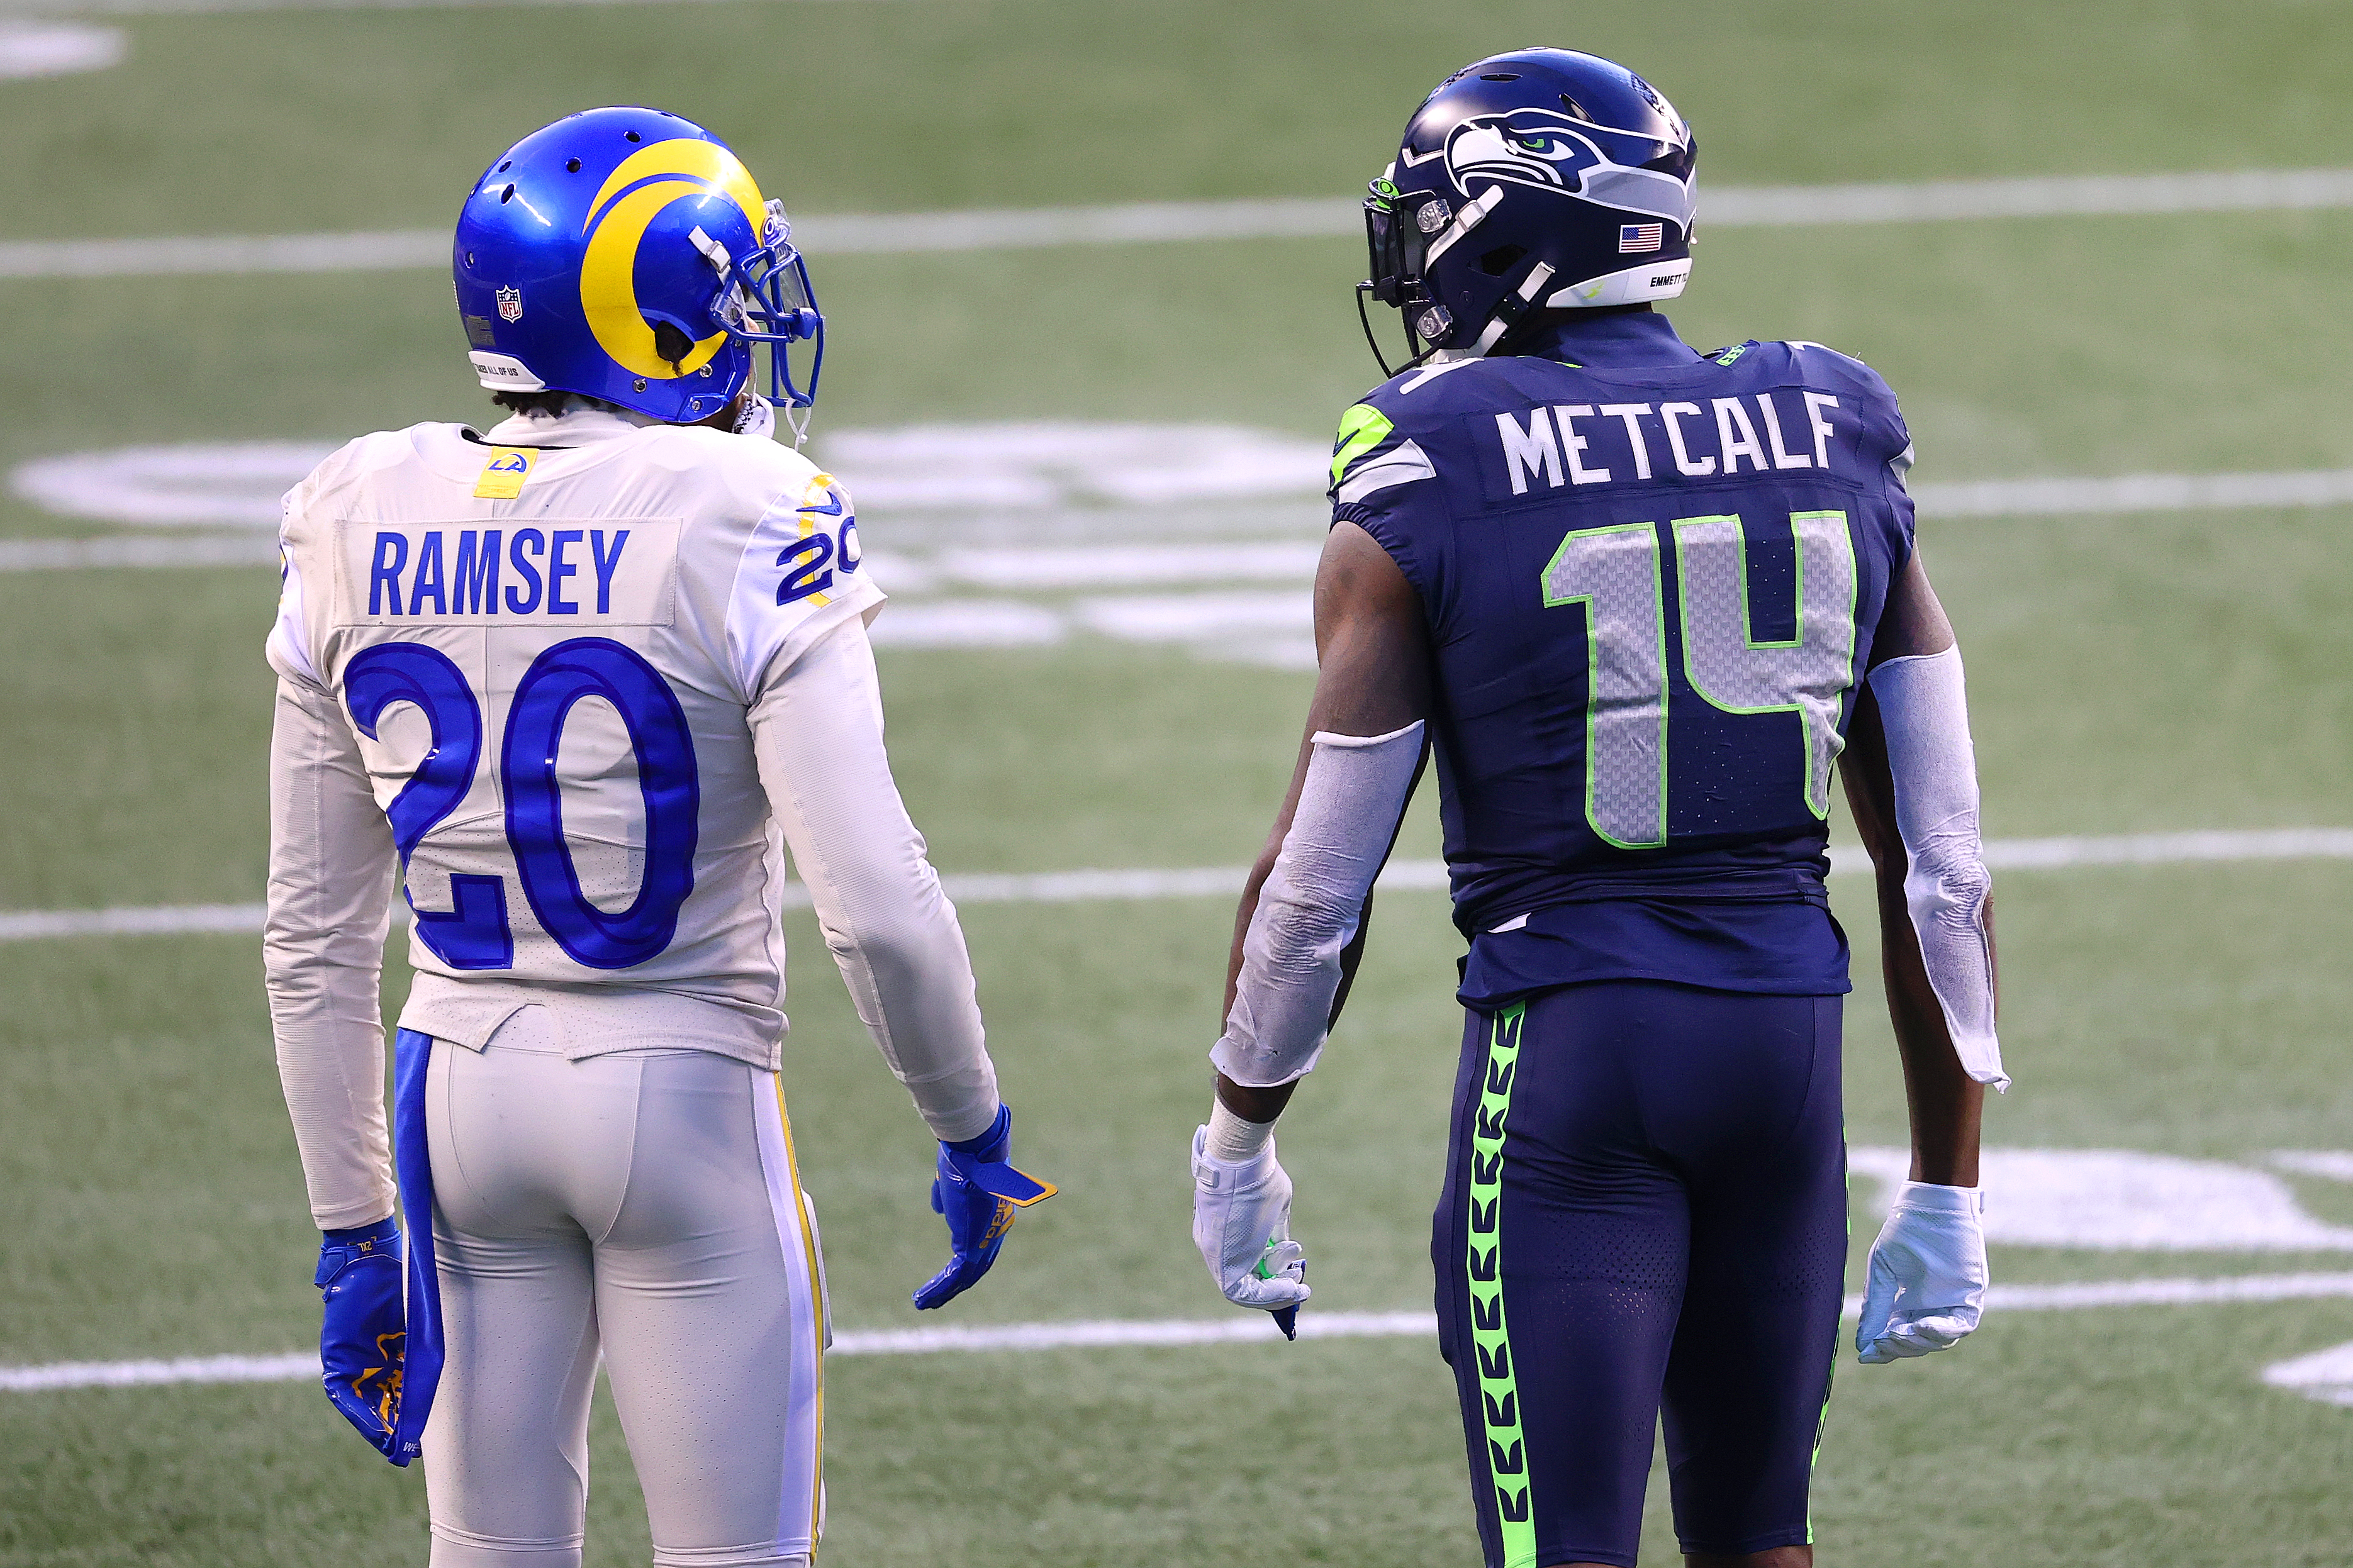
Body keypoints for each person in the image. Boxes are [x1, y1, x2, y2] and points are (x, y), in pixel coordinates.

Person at [1188, 50, 2006, 1568]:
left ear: (1512, 223)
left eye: (1437, 214)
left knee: (1564, 1549)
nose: (1413, 249)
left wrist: (1238, 1132)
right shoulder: (1830, 422)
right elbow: (1939, 860)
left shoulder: (1428, 463)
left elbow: (1317, 885)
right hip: (1784, 1055)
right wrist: (1949, 1178)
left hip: (1574, 1060)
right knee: (1761, 1536)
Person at [264, 106, 1050, 1568]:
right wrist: (968, 1119)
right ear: (653, 311)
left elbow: (312, 940)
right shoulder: (748, 506)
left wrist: (349, 1218)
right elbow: (875, 902)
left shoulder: (353, 505)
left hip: (457, 1096)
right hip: (680, 1087)